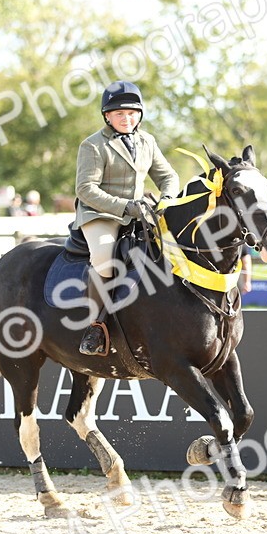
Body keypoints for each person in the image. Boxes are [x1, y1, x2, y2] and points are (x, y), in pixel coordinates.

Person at [74, 80, 179, 355]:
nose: (126, 119)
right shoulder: (93, 145)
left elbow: (168, 176)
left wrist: (167, 198)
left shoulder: (147, 141)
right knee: (104, 258)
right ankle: (96, 327)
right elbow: (85, 189)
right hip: (101, 213)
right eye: (119, 113)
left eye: (132, 113)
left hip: (141, 212)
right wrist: (126, 207)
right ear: (107, 116)